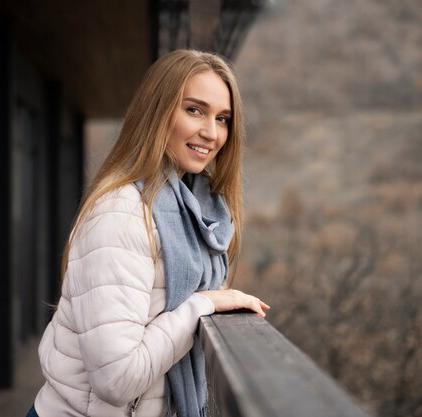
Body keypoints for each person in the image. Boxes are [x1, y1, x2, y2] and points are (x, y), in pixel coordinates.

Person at [28, 49, 270, 417]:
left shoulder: (197, 214)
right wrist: (201, 305)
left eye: (223, 118)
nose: (211, 132)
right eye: (194, 110)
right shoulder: (122, 213)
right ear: (157, 112)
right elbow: (116, 379)